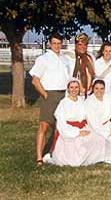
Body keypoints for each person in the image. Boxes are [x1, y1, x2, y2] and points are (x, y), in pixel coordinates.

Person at [44, 78, 105, 166]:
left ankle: (92, 158)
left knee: (99, 139)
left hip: (84, 127)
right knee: (74, 158)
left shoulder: (81, 101)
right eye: (71, 87)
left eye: (76, 87)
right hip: (70, 132)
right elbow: (61, 124)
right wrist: (78, 132)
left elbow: (87, 116)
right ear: (68, 89)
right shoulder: (63, 103)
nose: (74, 90)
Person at [29, 33, 70, 166]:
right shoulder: (43, 59)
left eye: (59, 43)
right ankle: (39, 158)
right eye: (54, 43)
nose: (57, 46)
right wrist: (45, 94)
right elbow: (35, 80)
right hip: (50, 94)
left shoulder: (65, 59)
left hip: (64, 95)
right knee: (44, 126)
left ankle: (56, 154)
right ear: (49, 44)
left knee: (61, 126)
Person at [85, 79, 111, 165]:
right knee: (107, 138)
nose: (99, 91)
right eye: (97, 88)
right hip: (94, 128)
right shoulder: (88, 102)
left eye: (102, 88)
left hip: (109, 125)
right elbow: (93, 122)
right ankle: (103, 158)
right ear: (93, 89)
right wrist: (108, 131)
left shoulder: (109, 98)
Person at [64, 33, 96, 98]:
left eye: (85, 45)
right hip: (72, 95)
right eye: (80, 44)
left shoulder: (91, 57)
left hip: (88, 94)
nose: (83, 47)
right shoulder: (67, 57)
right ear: (75, 45)